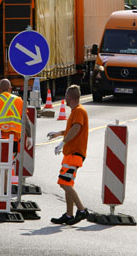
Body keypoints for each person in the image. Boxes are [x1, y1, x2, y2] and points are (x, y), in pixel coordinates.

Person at [48, 85, 89, 226]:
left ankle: (82, 210)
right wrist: (58, 134)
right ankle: (69, 214)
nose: (64, 99)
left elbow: (76, 128)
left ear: (70, 97)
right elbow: (71, 128)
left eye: (65, 96)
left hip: (74, 153)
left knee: (63, 182)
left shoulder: (78, 111)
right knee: (67, 183)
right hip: (71, 153)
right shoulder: (76, 111)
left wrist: (62, 142)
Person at [0, 78, 33, 159]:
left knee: (0, 161)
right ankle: (8, 170)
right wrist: (29, 137)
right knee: (11, 161)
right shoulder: (19, 100)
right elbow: (25, 120)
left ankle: (3, 171)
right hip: (14, 137)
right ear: (10, 89)